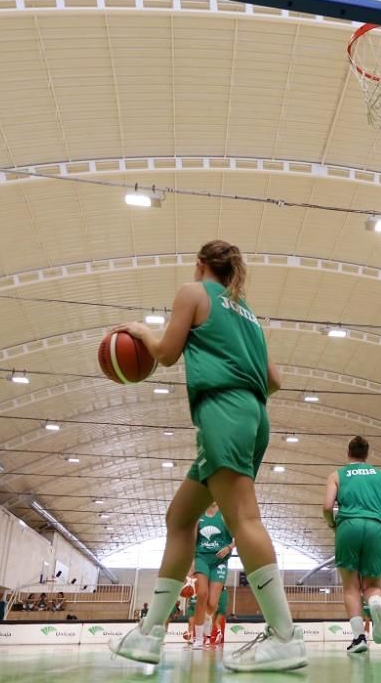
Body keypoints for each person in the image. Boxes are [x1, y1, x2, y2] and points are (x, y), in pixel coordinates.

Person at [108, 240, 305, 672]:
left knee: (244, 518)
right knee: (180, 517)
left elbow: (165, 354)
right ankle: (151, 633)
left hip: (224, 412)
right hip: (252, 414)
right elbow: (274, 379)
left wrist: (141, 331)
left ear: (200, 265)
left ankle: (287, 636)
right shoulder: (247, 312)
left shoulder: (193, 293)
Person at [323, 435, 381, 654]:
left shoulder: (337, 475)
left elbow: (327, 506)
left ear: (348, 453)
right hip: (376, 526)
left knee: (351, 587)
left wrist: (332, 525)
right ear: (367, 454)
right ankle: (374, 602)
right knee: (373, 585)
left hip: (348, 527)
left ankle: (359, 638)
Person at [189, 503, 235, 649]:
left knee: (213, 603)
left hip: (220, 561)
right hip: (201, 558)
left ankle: (207, 618)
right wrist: (190, 564)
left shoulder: (225, 514)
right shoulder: (198, 514)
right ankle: (198, 638)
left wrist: (229, 547)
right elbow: (191, 541)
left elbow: (241, 534)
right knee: (202, 594)